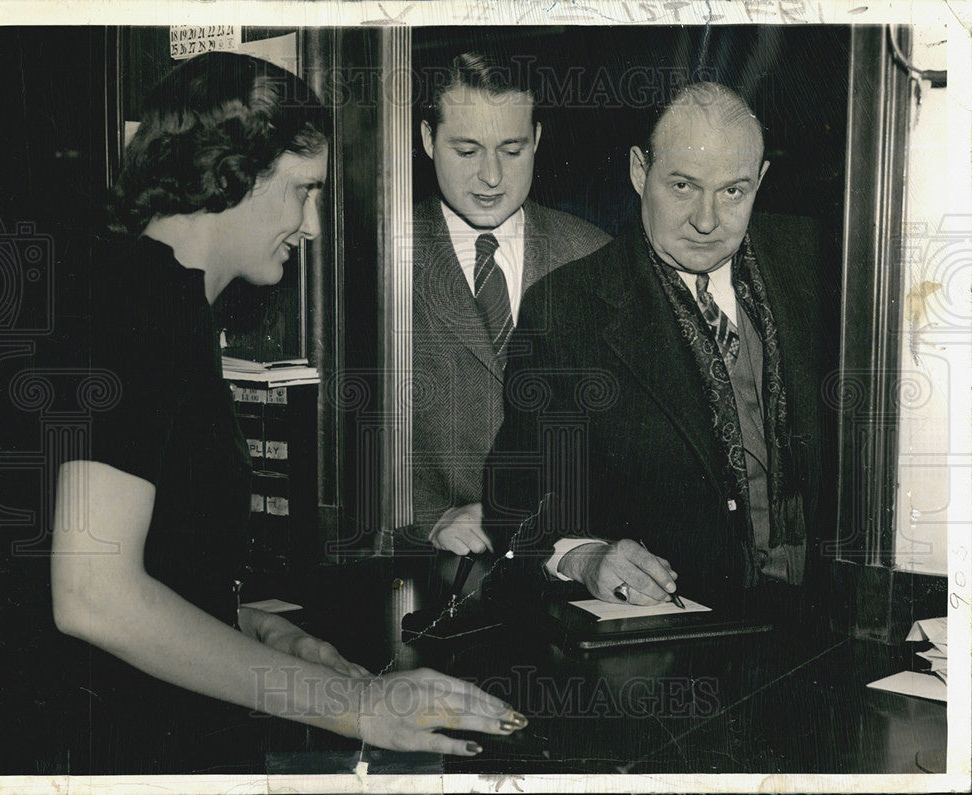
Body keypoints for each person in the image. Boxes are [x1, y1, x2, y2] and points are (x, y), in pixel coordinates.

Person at [49, 51, 526, 774]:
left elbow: (159, 571)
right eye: (303, 190)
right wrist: (358, 705)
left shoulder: (152, 298)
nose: (311, 225)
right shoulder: (138, 302)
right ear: (234, 173)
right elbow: (91, 595)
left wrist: (271, 634)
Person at [484, 82, 836, 612]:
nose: (707, 220)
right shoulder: (565, 310)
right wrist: (585, 556)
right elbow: (515, 502)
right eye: (683, 186)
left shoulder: (825, 259)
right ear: (638, 171)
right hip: (683, 632)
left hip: (835, 617)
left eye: (733, 191)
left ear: (761, 181)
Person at [410, 52, 610, 557]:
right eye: (467, 150)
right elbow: (337, 443)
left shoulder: (595, 255)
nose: (492, 177)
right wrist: (424, 521)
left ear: (538, 140)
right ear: (428, 139)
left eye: (513, 150)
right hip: (435, 573)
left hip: (579, 568)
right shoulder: (377, 259)